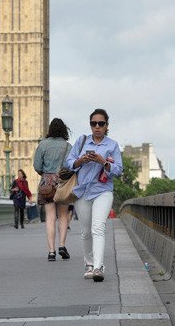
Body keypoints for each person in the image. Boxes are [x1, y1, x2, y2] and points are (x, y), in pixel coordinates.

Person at [65, 108, 122, 282]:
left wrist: (103, 162)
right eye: (93, 123)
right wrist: (81, 160)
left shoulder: (112, 145)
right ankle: (89, 264)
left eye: (101, 123)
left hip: (103, 191)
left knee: (98, 228)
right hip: (82, 191)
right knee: (85, 231)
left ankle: (98, 267)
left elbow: (119, 170)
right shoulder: (82, 142)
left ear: (106, 126)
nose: (97, 127)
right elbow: (68, 163)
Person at [33, 118, 72, 261]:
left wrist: (45, 174)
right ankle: (62, 245)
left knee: (50, 217)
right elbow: (71, 166)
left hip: (47, 183)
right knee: (63, 215)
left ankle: (51, 251)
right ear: (64, 130)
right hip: (63, 182)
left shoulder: (43, 145)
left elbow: (37, 165)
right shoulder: (68, 146)